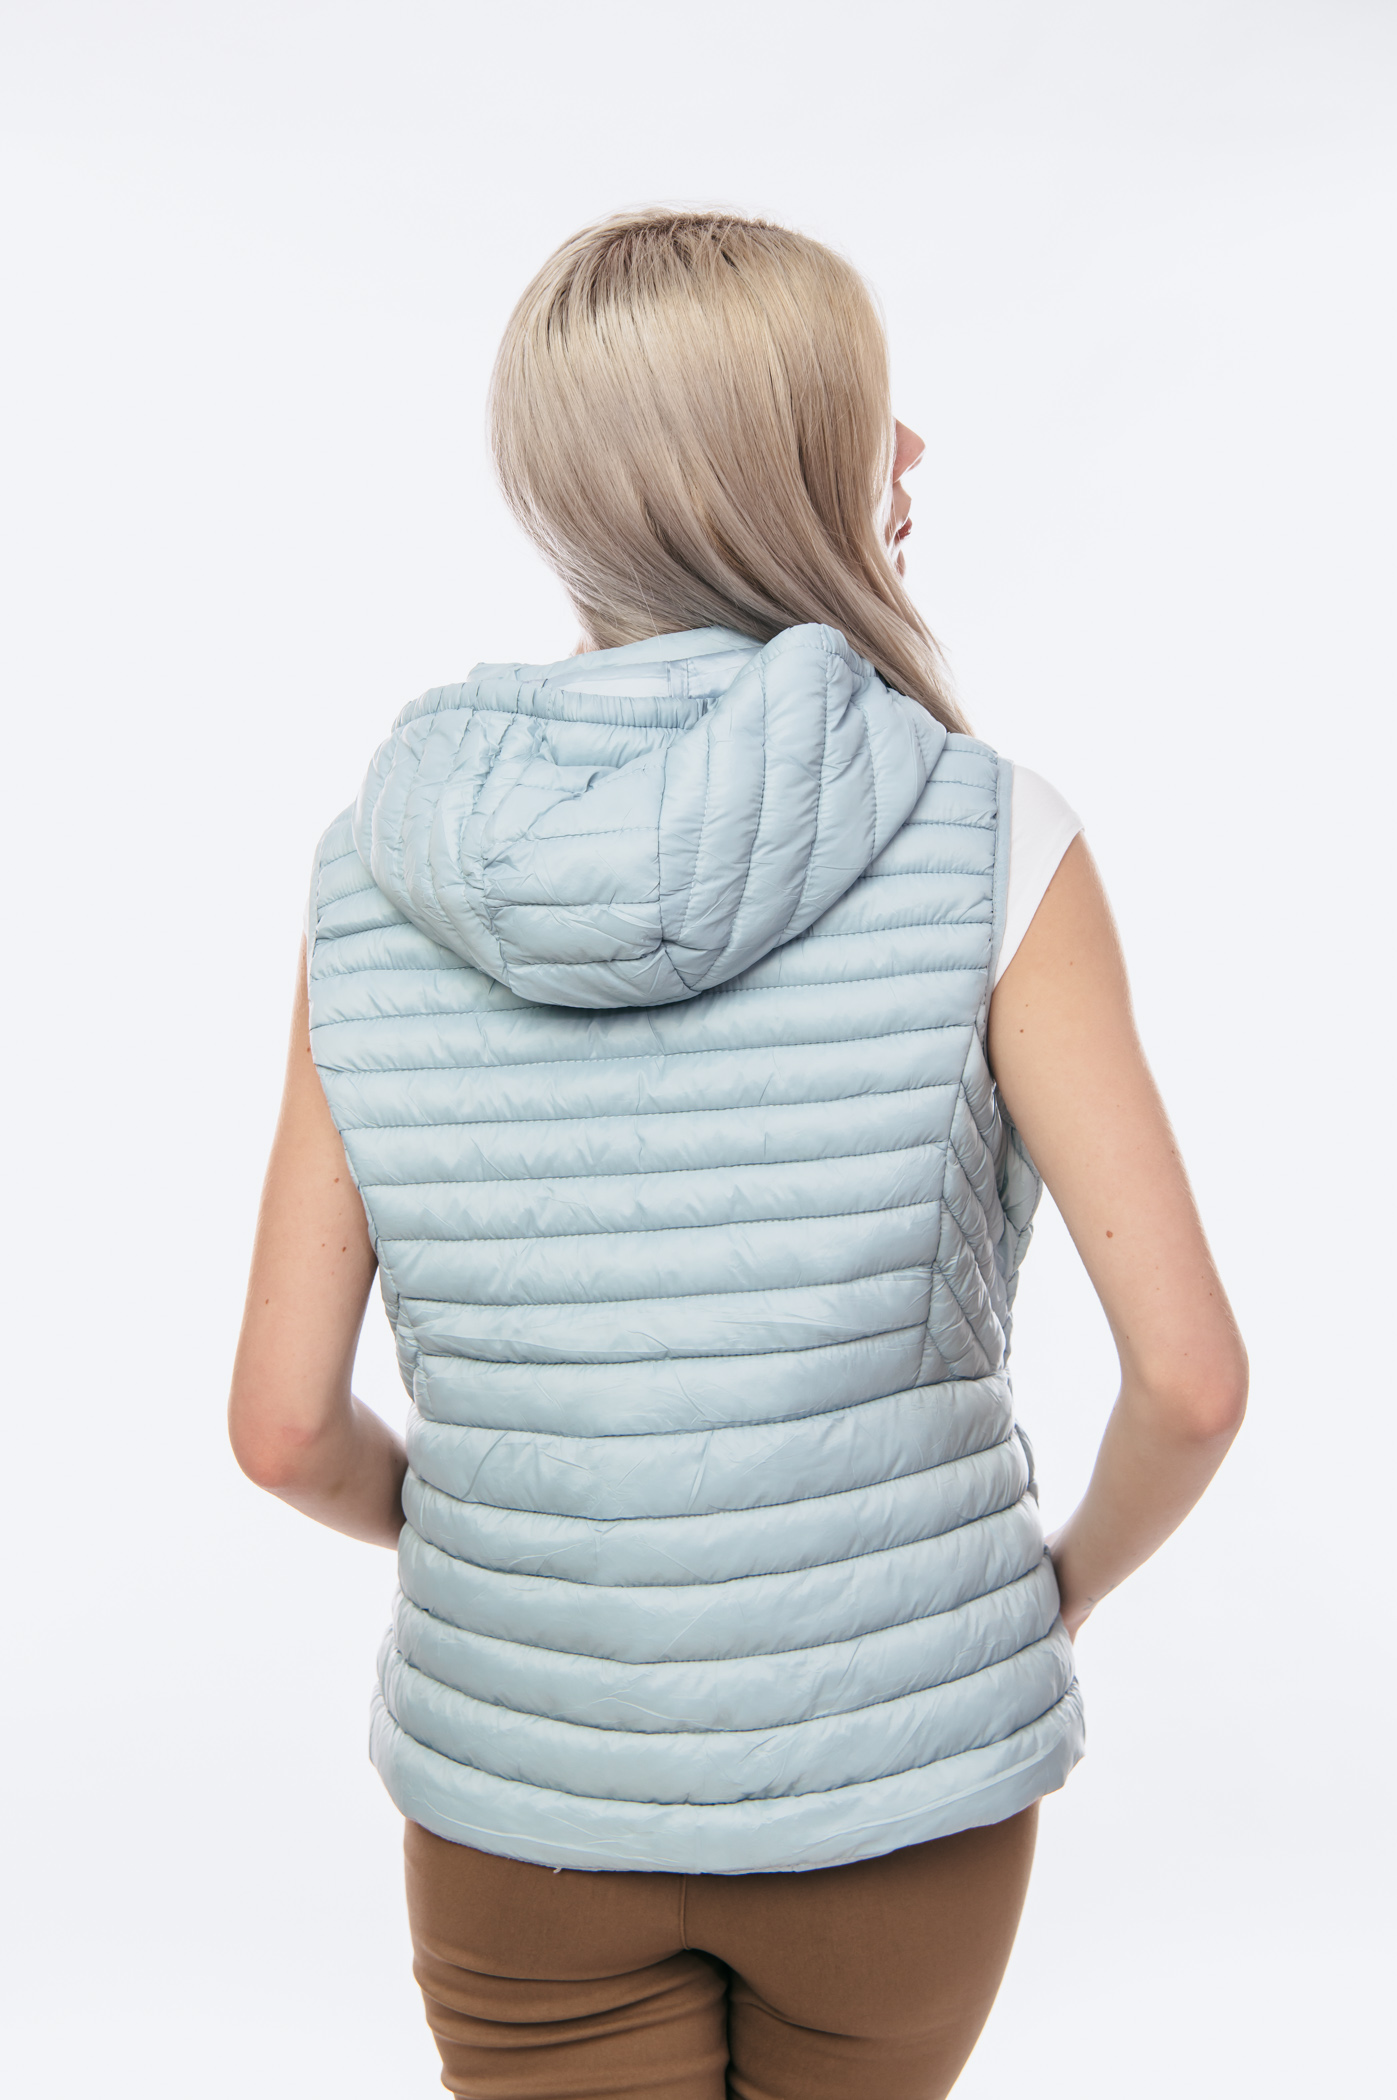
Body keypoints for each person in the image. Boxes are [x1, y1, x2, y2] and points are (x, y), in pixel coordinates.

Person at [228, 208, 1248, 2100]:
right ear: (774, 466)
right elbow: (1187, 1385)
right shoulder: (992, 836)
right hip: (899, 1784)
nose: (911, 449)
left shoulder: (371, 874)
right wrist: (1048, 1594)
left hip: (519, 1787)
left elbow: (284, 1428)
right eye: (870, 412)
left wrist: (509, 1546)